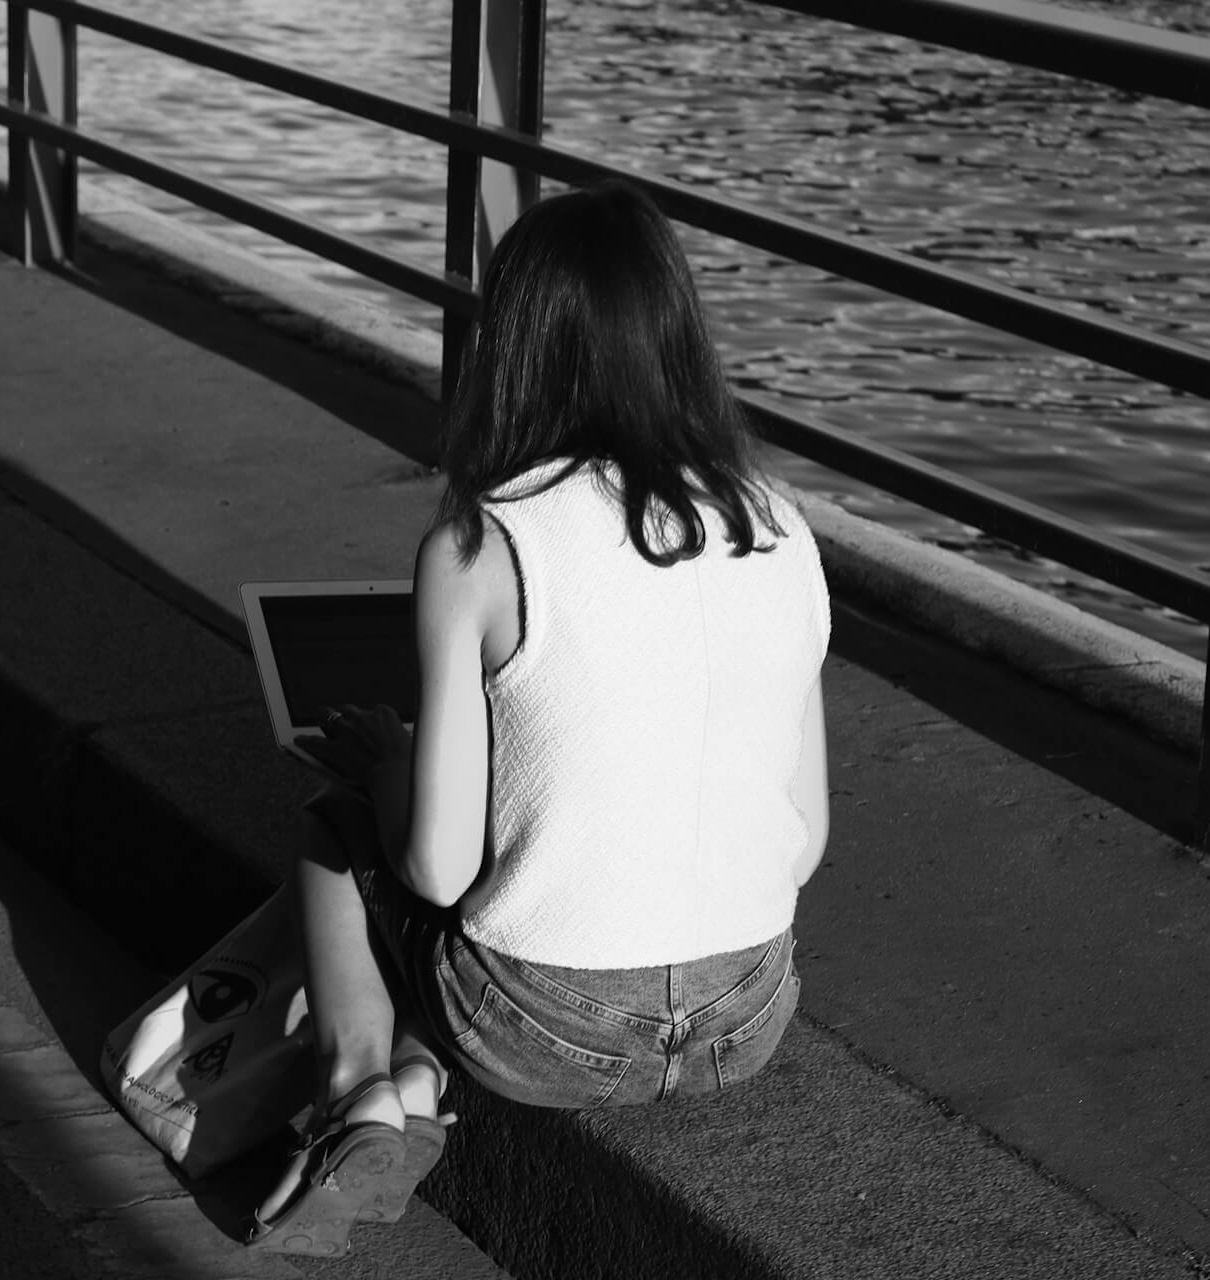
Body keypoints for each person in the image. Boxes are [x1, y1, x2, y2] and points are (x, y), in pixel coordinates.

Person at [247, 179, 833, 1257]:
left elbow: (432, 868)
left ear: (510, 344)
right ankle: (416, 1075)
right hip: (748, 1012)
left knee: (340, 833)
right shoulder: (781, 526)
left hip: (553, 1030)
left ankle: (361, 1087)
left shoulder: (485, 541)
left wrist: (391, 768)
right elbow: (808, 841)